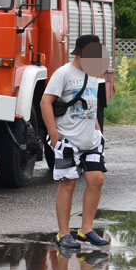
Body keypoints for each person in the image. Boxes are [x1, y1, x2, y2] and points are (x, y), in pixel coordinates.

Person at [40, 34, 110, 249]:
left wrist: (98, 132)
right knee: (68, 183)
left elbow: (91, 106)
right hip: (67, 139)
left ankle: (86, 229)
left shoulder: (93, 74)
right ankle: (63, 234)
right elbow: (45, 102)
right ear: (79, 53)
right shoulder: (63, 73)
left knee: (96, 179)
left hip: (90, 140)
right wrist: (54, 135)